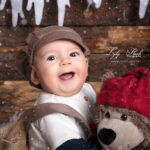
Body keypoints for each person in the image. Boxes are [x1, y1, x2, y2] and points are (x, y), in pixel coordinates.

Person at [17, 26, 96, 150]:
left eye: (73, 54)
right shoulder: (51, 112)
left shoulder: (87, 89)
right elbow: (72, 147)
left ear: (86, 65)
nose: (65, 61)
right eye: (51, 58)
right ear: (36, 75)